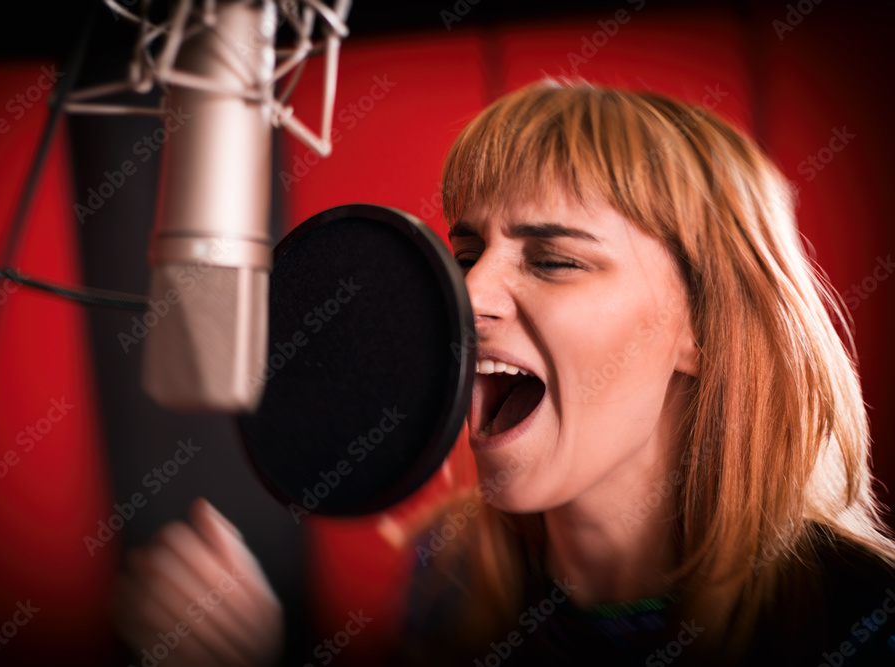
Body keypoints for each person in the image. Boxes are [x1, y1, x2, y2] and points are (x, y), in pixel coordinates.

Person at [117, 81, 895, 666]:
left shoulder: (862, 618)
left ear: (704, 325)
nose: (467, 295)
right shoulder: (450, 574)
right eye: (464, 254)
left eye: (553, 260)